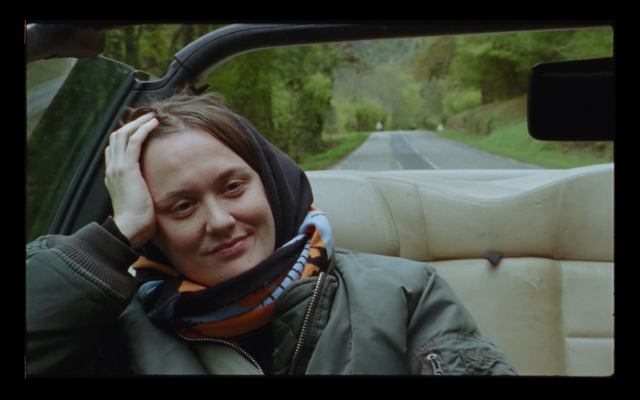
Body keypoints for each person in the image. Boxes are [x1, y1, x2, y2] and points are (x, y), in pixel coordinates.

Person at [26, 91, 517, 376]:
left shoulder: (403, 293)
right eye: (181, 206)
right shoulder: (115, 328)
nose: (220, 220)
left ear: (271, 183)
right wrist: (114, 238)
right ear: (152, 230)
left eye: (233, 186)